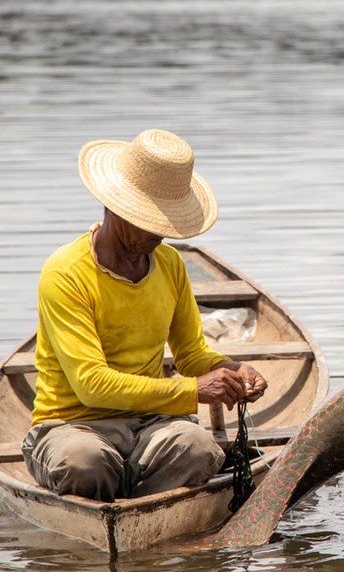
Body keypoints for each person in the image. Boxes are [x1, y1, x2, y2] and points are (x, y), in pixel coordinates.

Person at [22, 128, 268, 502]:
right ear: (115, 207)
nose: (160, 234)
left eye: (165, 223)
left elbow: (191, 355)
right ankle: (125, 495)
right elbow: (92, 384)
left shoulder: (169, 264)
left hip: (149, 425)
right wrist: (195, 390)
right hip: (73, 425)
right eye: (151, 221)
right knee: (86, 463)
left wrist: (232, 369)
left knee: (199, 448)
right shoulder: (66, 272)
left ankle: (132, 505)